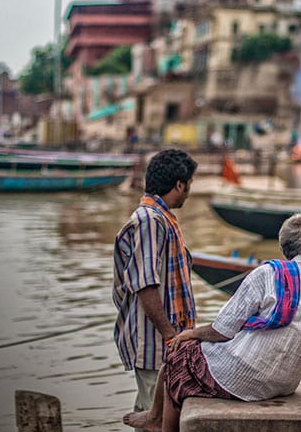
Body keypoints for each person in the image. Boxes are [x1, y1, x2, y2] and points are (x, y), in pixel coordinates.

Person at [124, 213, 301, 432]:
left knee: (179, 354)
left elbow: (221, 331)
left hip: (242, 381)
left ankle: (160, 423)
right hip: (284, 383)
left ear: (283, 249)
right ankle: (155, 416)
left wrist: (189, 334)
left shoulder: (267, 273)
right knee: (187, 351)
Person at [113, 149, 199, 428]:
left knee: (151, 412)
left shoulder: (162, 218)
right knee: (156, 417)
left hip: (165, 340)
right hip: (155, 342)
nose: (188, 191)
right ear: (179, 185)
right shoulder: (150, 220)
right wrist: (170, 335)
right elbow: (145, 284)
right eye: (189, 185)